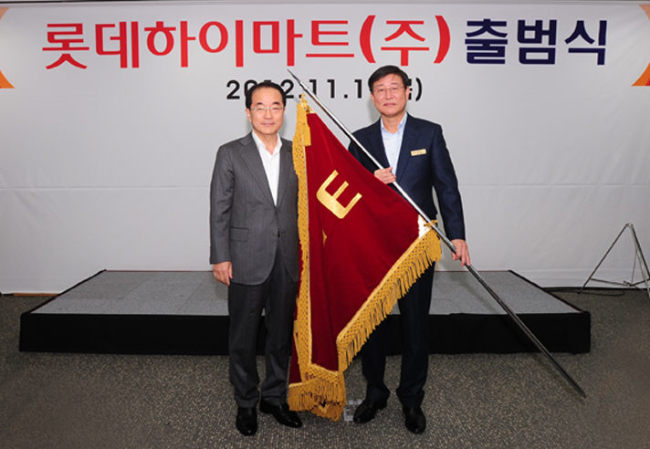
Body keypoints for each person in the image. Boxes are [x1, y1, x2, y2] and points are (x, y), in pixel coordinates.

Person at [348, 65, 471, 434]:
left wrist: (458, 234)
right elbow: (346, 193)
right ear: (372, 98)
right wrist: (369, 182)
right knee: (372, 325)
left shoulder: (429, 133)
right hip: (373, 245)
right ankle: (375, 392)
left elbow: (446, 186)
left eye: (394, 88)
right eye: (380, 90)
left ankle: (412, 398)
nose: (388, 95)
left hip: (418, 243)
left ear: (408, 91)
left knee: (416, 326)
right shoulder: (358, 138)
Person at [209, 80, 302, 436]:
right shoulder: (230, 153)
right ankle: (246, 402)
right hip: (245, 258)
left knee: (280, 335)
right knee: (243, 338)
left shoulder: (298, 152)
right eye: (260, 107)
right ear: (248, 112)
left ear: (284, 111)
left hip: (286, 259)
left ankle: (274, 397)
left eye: (275, 106)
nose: (268, 114)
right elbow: (220, 208)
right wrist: (221, 256)